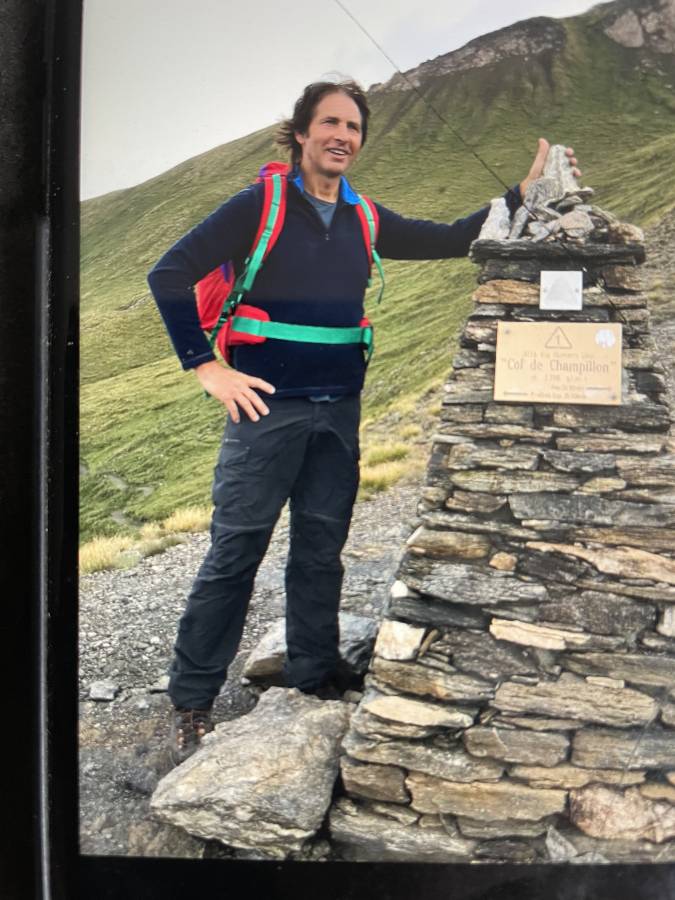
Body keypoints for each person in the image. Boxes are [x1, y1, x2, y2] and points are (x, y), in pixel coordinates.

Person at [147, 78, 580, 764]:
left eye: (353, 127)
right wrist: (206, 367)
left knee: (320, 552)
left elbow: (451, 238)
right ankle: (192, 701)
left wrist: (520, 195)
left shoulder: (363, 216)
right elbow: (168, 273)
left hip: (339, 410)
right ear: (301, 133)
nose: (342, 136)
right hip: (266, 410)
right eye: (330, 123)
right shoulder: (260, 205)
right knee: (236, 554)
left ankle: (313, 679)